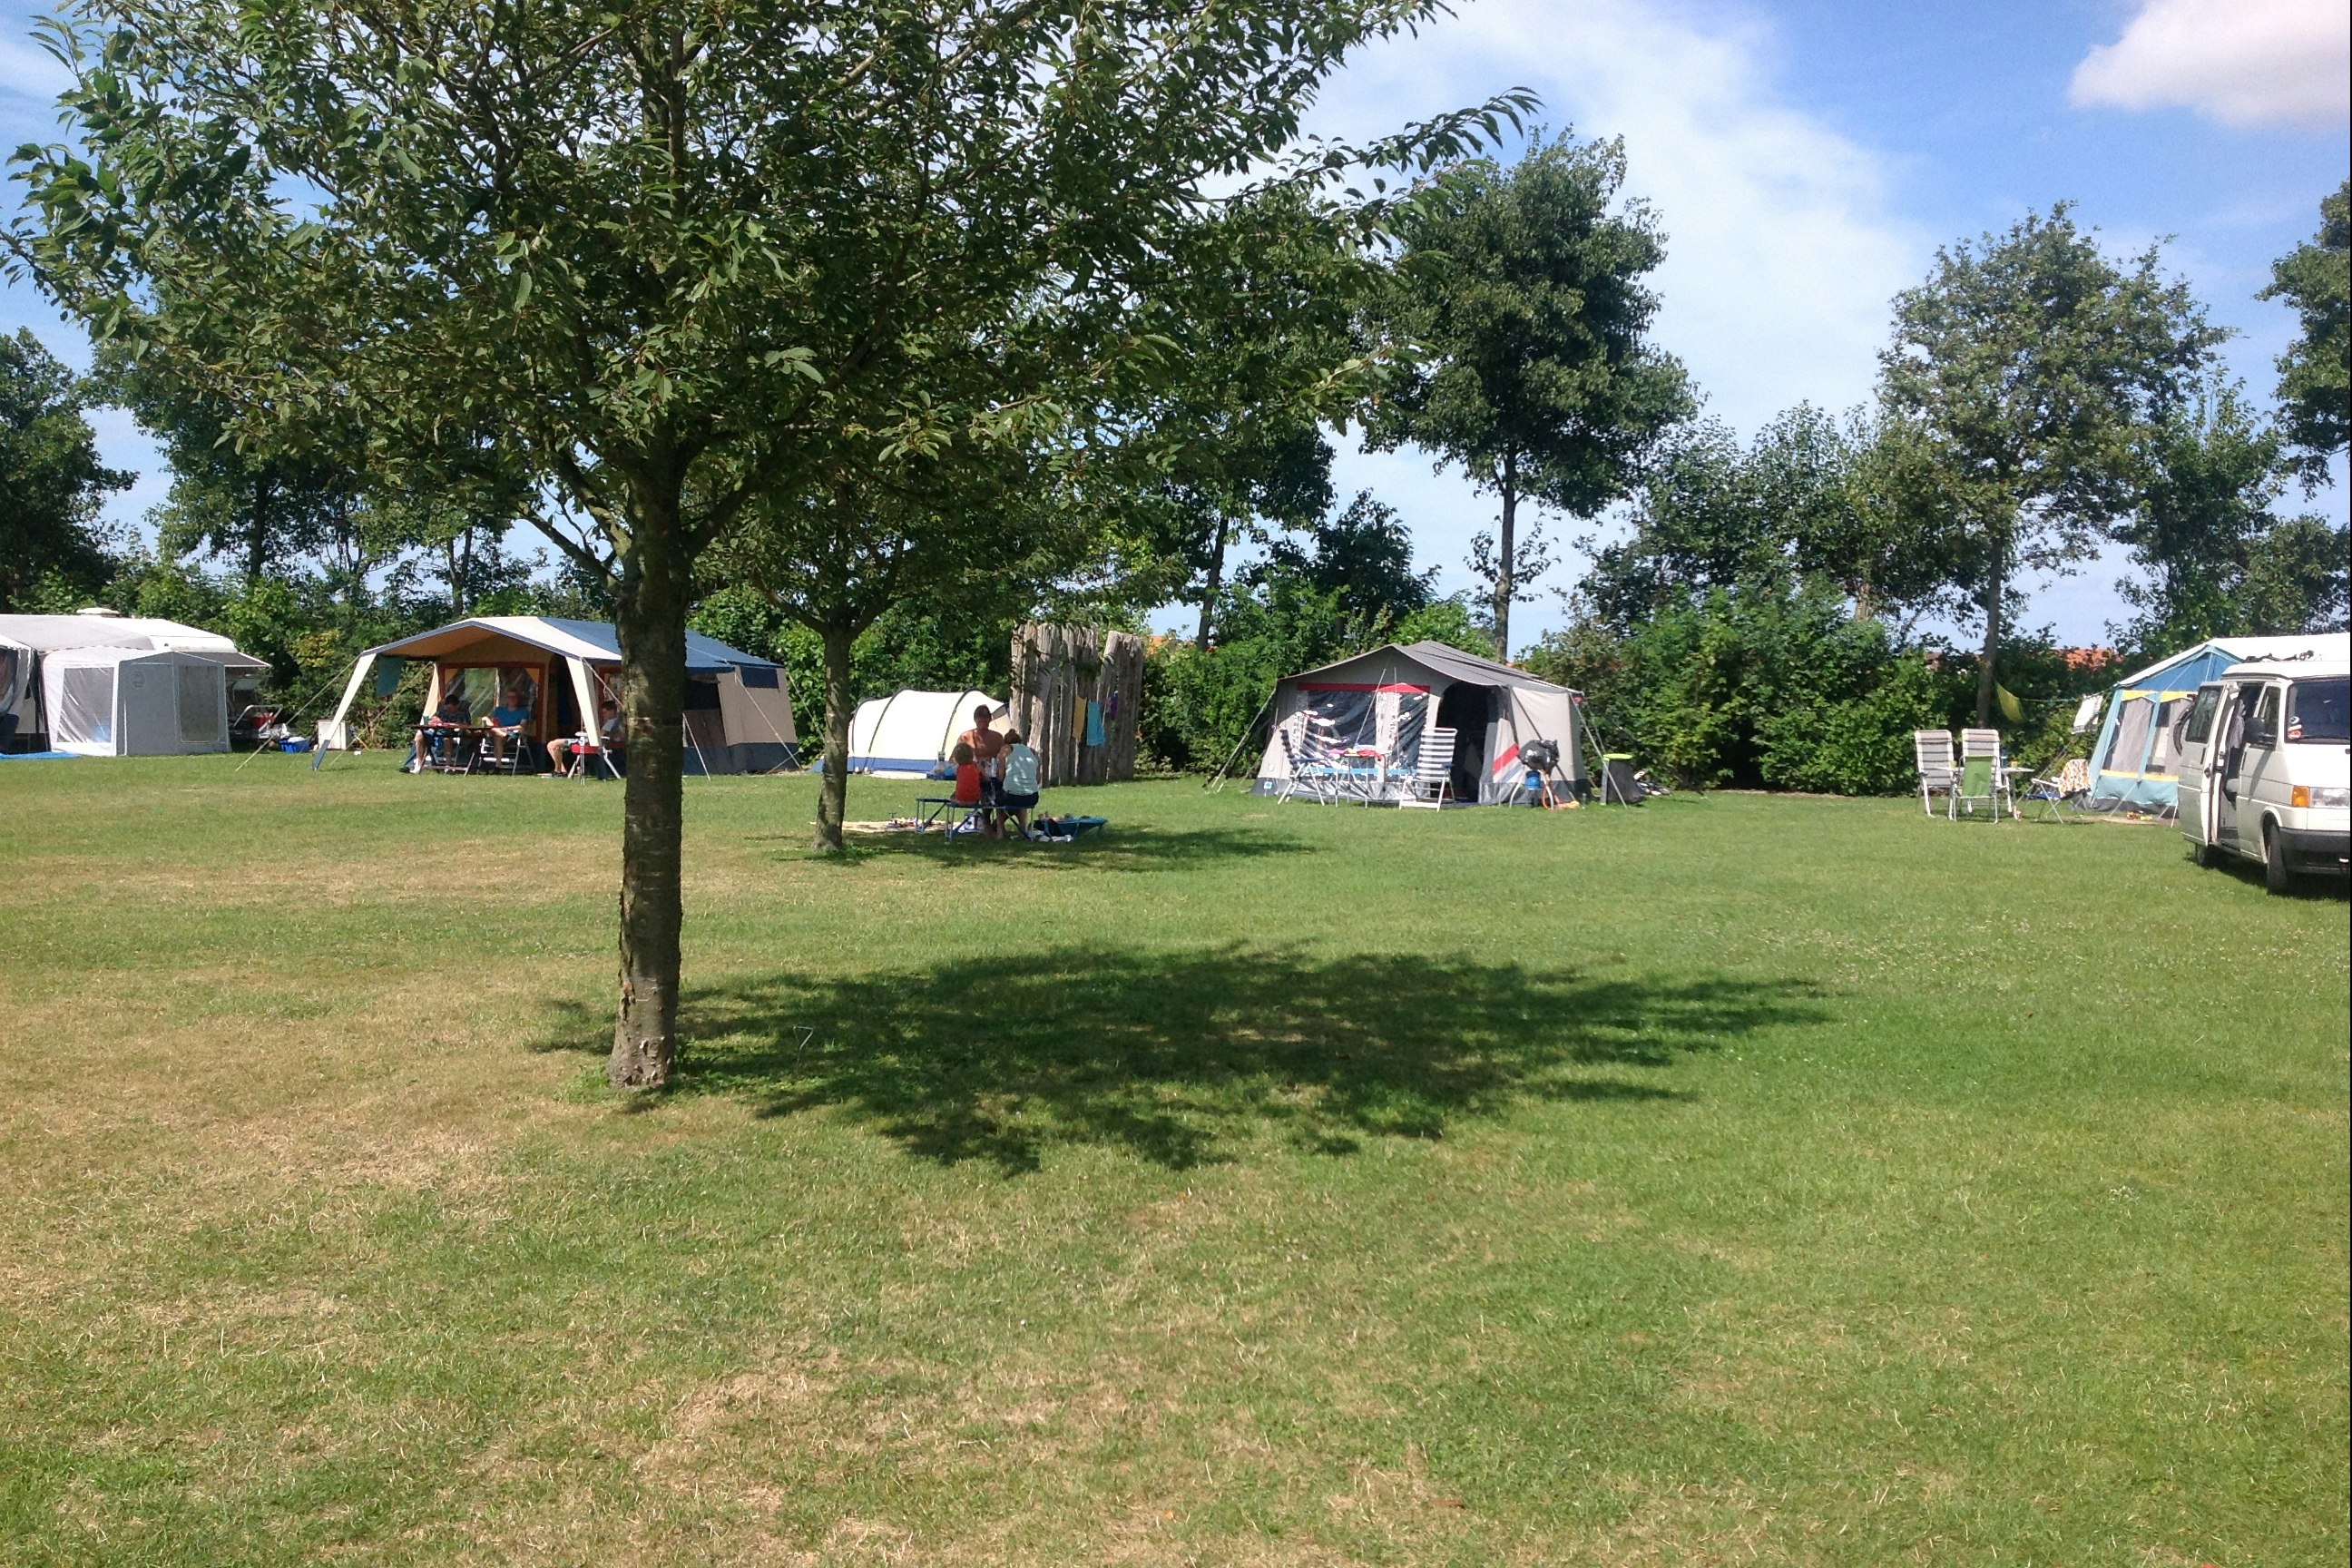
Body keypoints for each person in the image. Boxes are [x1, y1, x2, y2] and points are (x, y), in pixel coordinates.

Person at [549, 694, 624, 778]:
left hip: (589, 743)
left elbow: (599, 735)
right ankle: (560, 770)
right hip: (591, 742)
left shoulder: (611, 722)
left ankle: (559, 771)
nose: (604, 715)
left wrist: (589, 731)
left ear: (613, 711)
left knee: (553, 744)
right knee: (554, 746)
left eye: (605, 712)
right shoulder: (614, 722)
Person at [411, 684, 473, 771]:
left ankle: (448, 766)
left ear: (457, 706)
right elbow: (434, 719)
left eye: (451, 708)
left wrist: (452, 725)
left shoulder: (462, 714)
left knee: (447, 739)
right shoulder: (442, 712)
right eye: (447, 707)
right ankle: (419, 764)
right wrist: (434, 721)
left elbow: (468, 725)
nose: (449, 710)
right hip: (436, 732)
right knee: (419, 735)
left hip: (451, 734)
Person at [479, 681, 535, 767]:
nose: (512, 699)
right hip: (495, 732)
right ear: (506, 699)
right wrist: (498, 729)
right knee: (485, 719)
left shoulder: (523, 712)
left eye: (514, 697)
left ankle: (498, 765)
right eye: (509, 697)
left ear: (518, 699)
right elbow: (494, 722)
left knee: (498, 737)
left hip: (509, 735)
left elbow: (521, 727)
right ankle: (497, 732)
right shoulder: (499, 710)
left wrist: (507, 729)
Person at [999, 728, 1042, 838]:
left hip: (1011, 796)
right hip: (1032, 796)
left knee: (997, 800)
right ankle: (1022, 830)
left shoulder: (1006, 749)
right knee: (1021, 803)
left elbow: (1001, 775)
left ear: (1006, 742)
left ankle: (999, 830)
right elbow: (1038, 777)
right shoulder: (1031, 751)